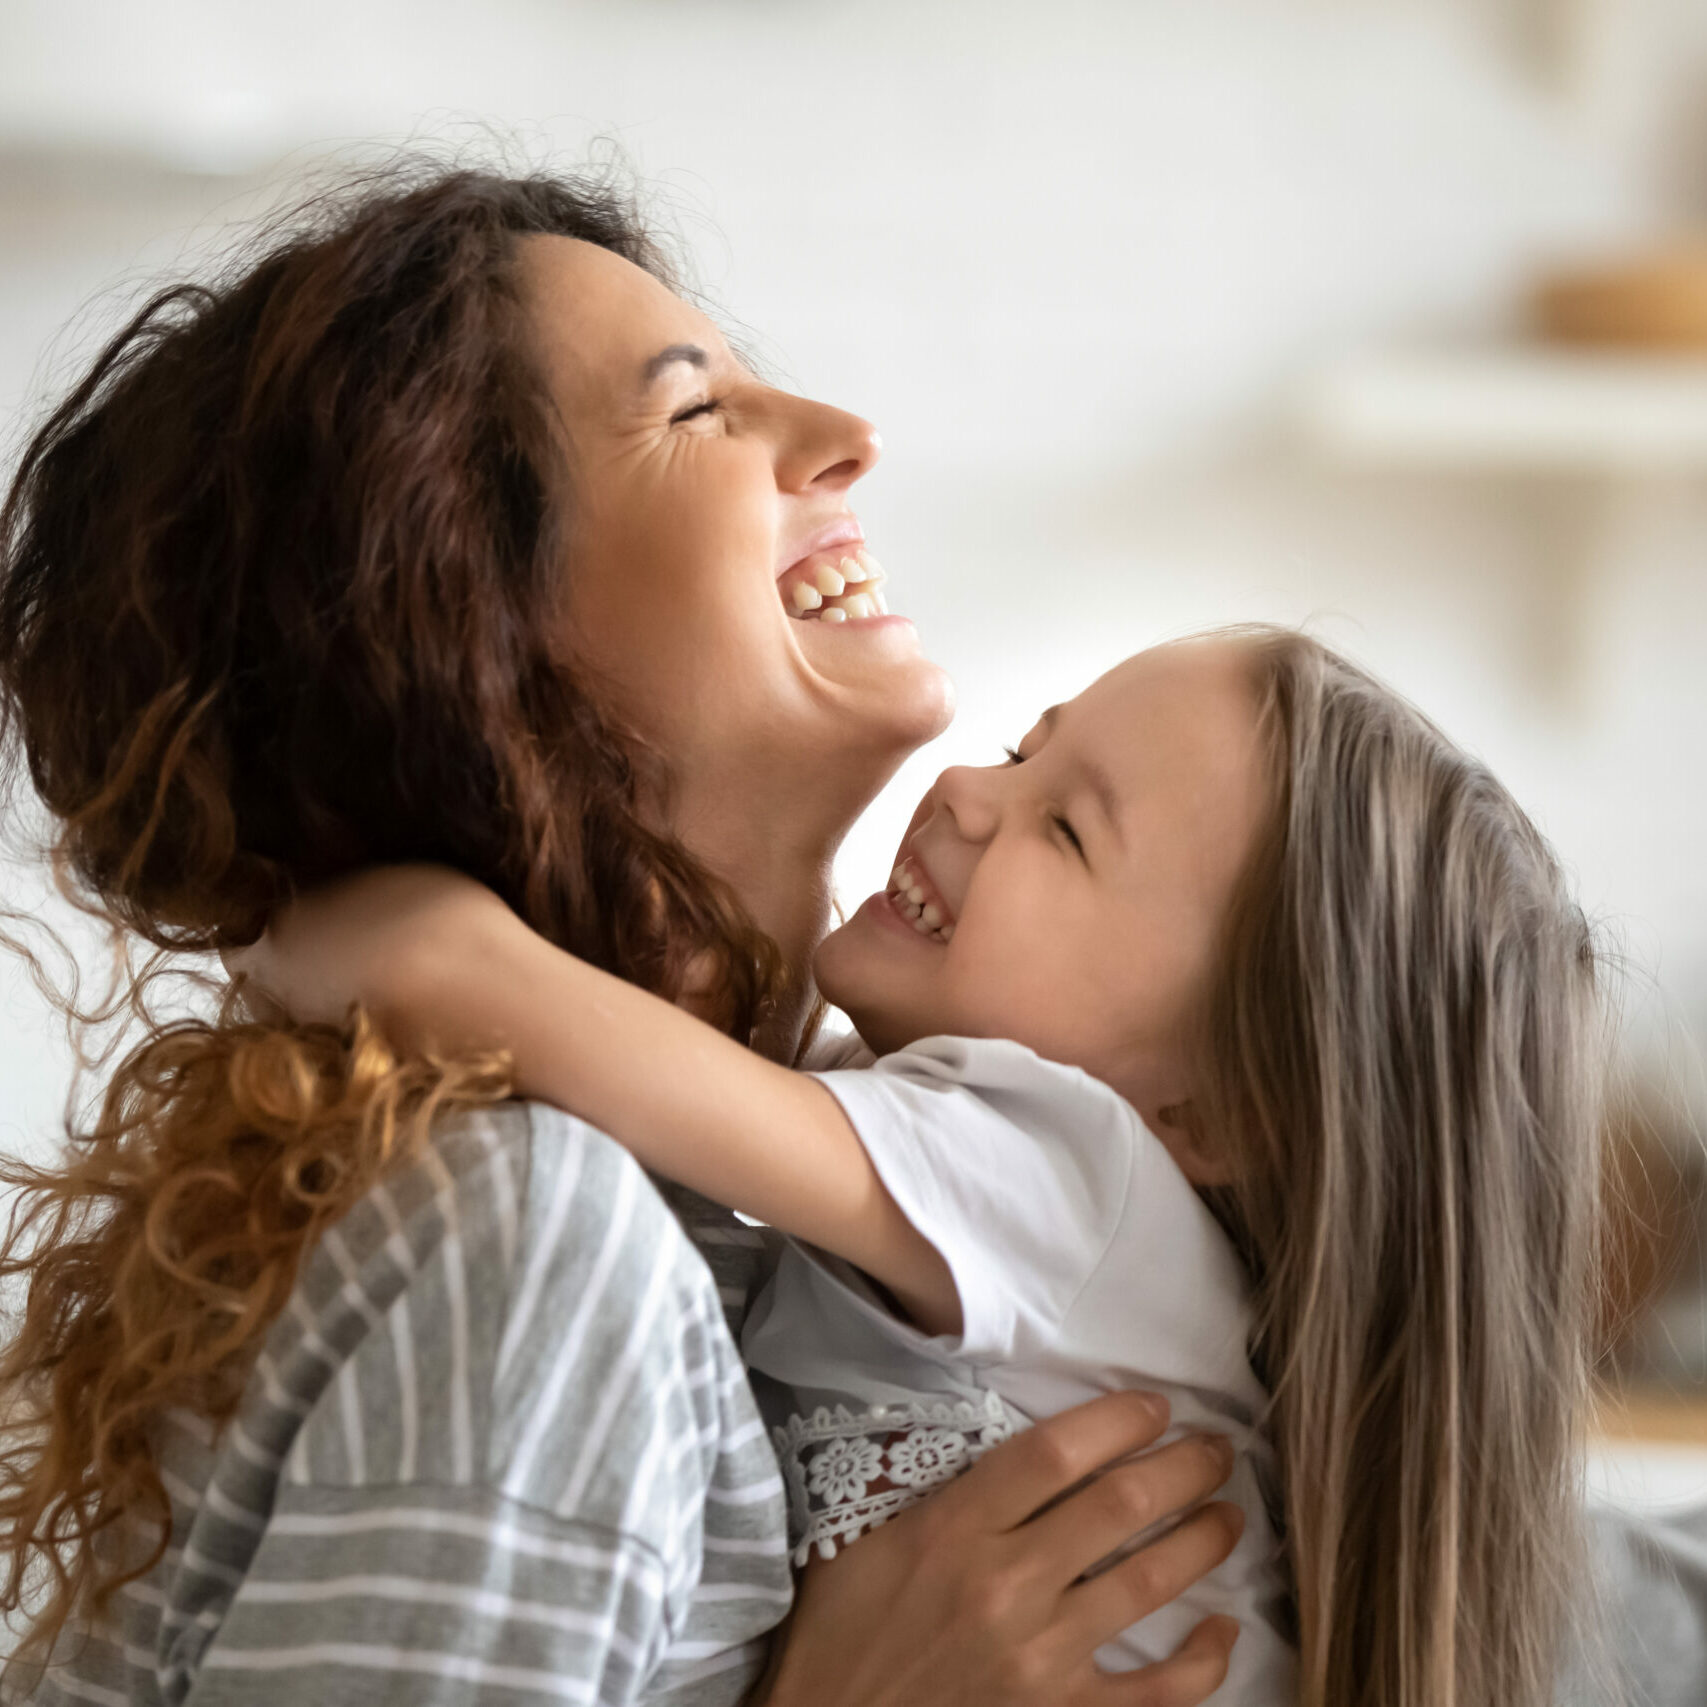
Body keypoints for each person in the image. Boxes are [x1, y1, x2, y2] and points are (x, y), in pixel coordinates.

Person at [0, 163, 1245, 1705]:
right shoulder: (536, 1253)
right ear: (481, 642)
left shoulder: (763, 1232)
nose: (849, 436)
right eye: (696, 413)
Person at [235, 626, 1608, 1707]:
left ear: (1214, 1114)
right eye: (1025, 749)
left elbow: (448, 977)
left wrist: (264, 905)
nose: (966, 788)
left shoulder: (1071, 1172)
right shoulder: (988, 1189)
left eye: (1067, 830)